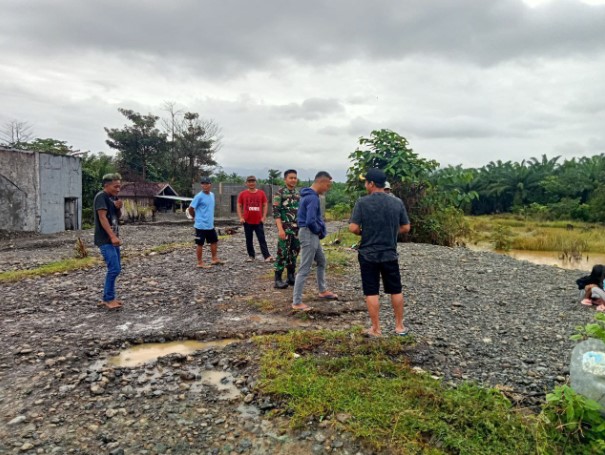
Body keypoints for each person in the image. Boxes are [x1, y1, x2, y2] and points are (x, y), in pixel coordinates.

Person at [349, 168, 411, 337]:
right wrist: (390, 231)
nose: (365, 185)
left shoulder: (362, 203)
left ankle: (376, 328)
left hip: (368, 254)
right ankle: (399, 327)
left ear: (371, 184)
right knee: (395, 289)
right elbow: (406, 227)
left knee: (371, 291)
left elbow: (353, 227)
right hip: (390, 254)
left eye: (365, 182)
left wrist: (364, 232)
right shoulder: (397, 202)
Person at [292, 171, 338, 311]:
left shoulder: (308, 195)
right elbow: (310, 220)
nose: (328, 189)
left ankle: (322, 291)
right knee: (304, 268)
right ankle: (296, 302)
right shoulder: (313, 198)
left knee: (322, 261)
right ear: (321, 182)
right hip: (309, 233)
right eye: (328, 185)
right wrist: (319, 231)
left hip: (310, 234)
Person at [94, 173, 124, 310]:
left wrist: (118, 208)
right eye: (115, 186)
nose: (118, 189)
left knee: (116, 269)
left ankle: (109, 296)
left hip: (113, 238)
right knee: (114, 268)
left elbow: (116, 217)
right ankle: (108, 298)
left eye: (119, 186)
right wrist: (112, 236)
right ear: (106, 185)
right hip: (105, 239)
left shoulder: (113, 198)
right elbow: (102, 217)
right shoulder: (101, 197)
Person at [273, 169, 301, 289]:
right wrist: (280, 230)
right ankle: (278, 279)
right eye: (291, 178)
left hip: (297, 229)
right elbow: (276, 213)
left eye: (295, 178)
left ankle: (290, 276)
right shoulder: (279, 194)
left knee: (294, 252)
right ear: (285, 179)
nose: (293, 180)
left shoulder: (298, 194)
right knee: (282, 252)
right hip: (285, 228)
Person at [188, 177, 223, 268]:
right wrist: (194, 216)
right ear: (201, 185)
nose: (205, 185)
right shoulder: (199, 196)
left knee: (214, 241)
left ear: (210, 185)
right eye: (203, 184)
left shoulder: (212, 195)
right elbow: (191, 208)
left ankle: (214, 259)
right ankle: (200, 263)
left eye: (207, 184)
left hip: (210, 225)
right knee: (200, 243)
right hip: (200, 225)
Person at [237, 176, 273, 262]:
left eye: (253, 181)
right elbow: (239, 205)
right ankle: (251, 256)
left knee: (262, 239)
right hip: (247, 221)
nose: (251, 183)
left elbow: (265, 204)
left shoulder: (261, 193)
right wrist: (241, 217)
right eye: (249, 182)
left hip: (258, 221)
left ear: (255, 182)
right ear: (246, 183)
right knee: (248, 239)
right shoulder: (243, 194)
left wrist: (264, 216)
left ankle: (267, 256)